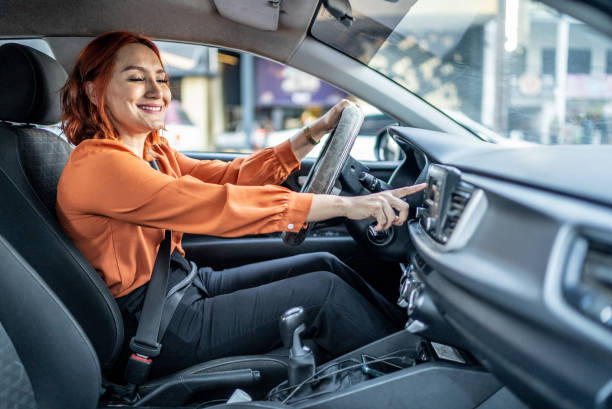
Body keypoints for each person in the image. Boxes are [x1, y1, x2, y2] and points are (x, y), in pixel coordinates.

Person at [56, 31, 426, 377]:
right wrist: (345, 206)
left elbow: (229, 177)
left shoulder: (151, 151)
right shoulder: (100, 164)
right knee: (323, 294)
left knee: (324, 263)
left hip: (179, 286)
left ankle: (410, 343)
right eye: (136, 78)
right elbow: (214, 204)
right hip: (157, 326)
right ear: (93, 90)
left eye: (162, 78)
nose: (157, 91)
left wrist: (313, 132)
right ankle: (414, 379)